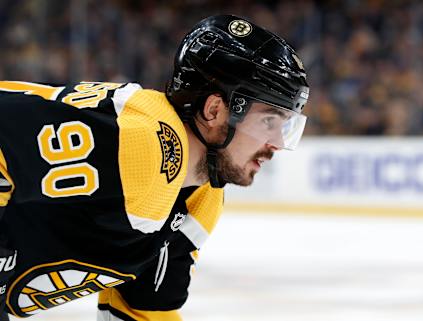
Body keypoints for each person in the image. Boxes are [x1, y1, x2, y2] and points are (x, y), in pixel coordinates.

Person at [0, 14, 309, 321]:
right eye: (269, 121)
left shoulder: (200, 199)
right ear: (215, 110)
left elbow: (140, 308)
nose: (278, 143)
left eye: (286, 126)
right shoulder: (144, 142)